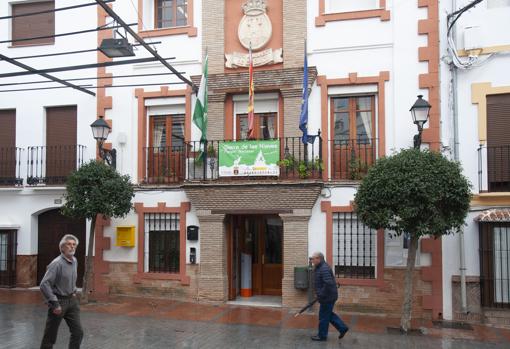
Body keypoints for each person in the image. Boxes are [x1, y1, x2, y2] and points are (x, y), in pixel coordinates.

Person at [40, 234, 84, 349]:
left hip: (72, 301)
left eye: (74, 245)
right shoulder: (56, 263)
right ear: (62, 247)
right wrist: (54, 303)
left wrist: (74, 291)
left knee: (78, 333)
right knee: (50, 336)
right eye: (69, 244)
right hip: (58, 302)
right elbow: (44, 284)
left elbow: (72, 279)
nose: (72, 247)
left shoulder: (74, 260)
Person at [310, 251, 349, 341]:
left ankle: (322, 336)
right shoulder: (319, 267)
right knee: (327, 314)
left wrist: (321, 294)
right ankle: (342, 328)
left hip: (327, 297)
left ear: (319, 259)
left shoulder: (324, 268)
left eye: (313, 258)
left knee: (323, 317)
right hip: (328, 296)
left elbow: (328, 283)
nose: (312, 260)